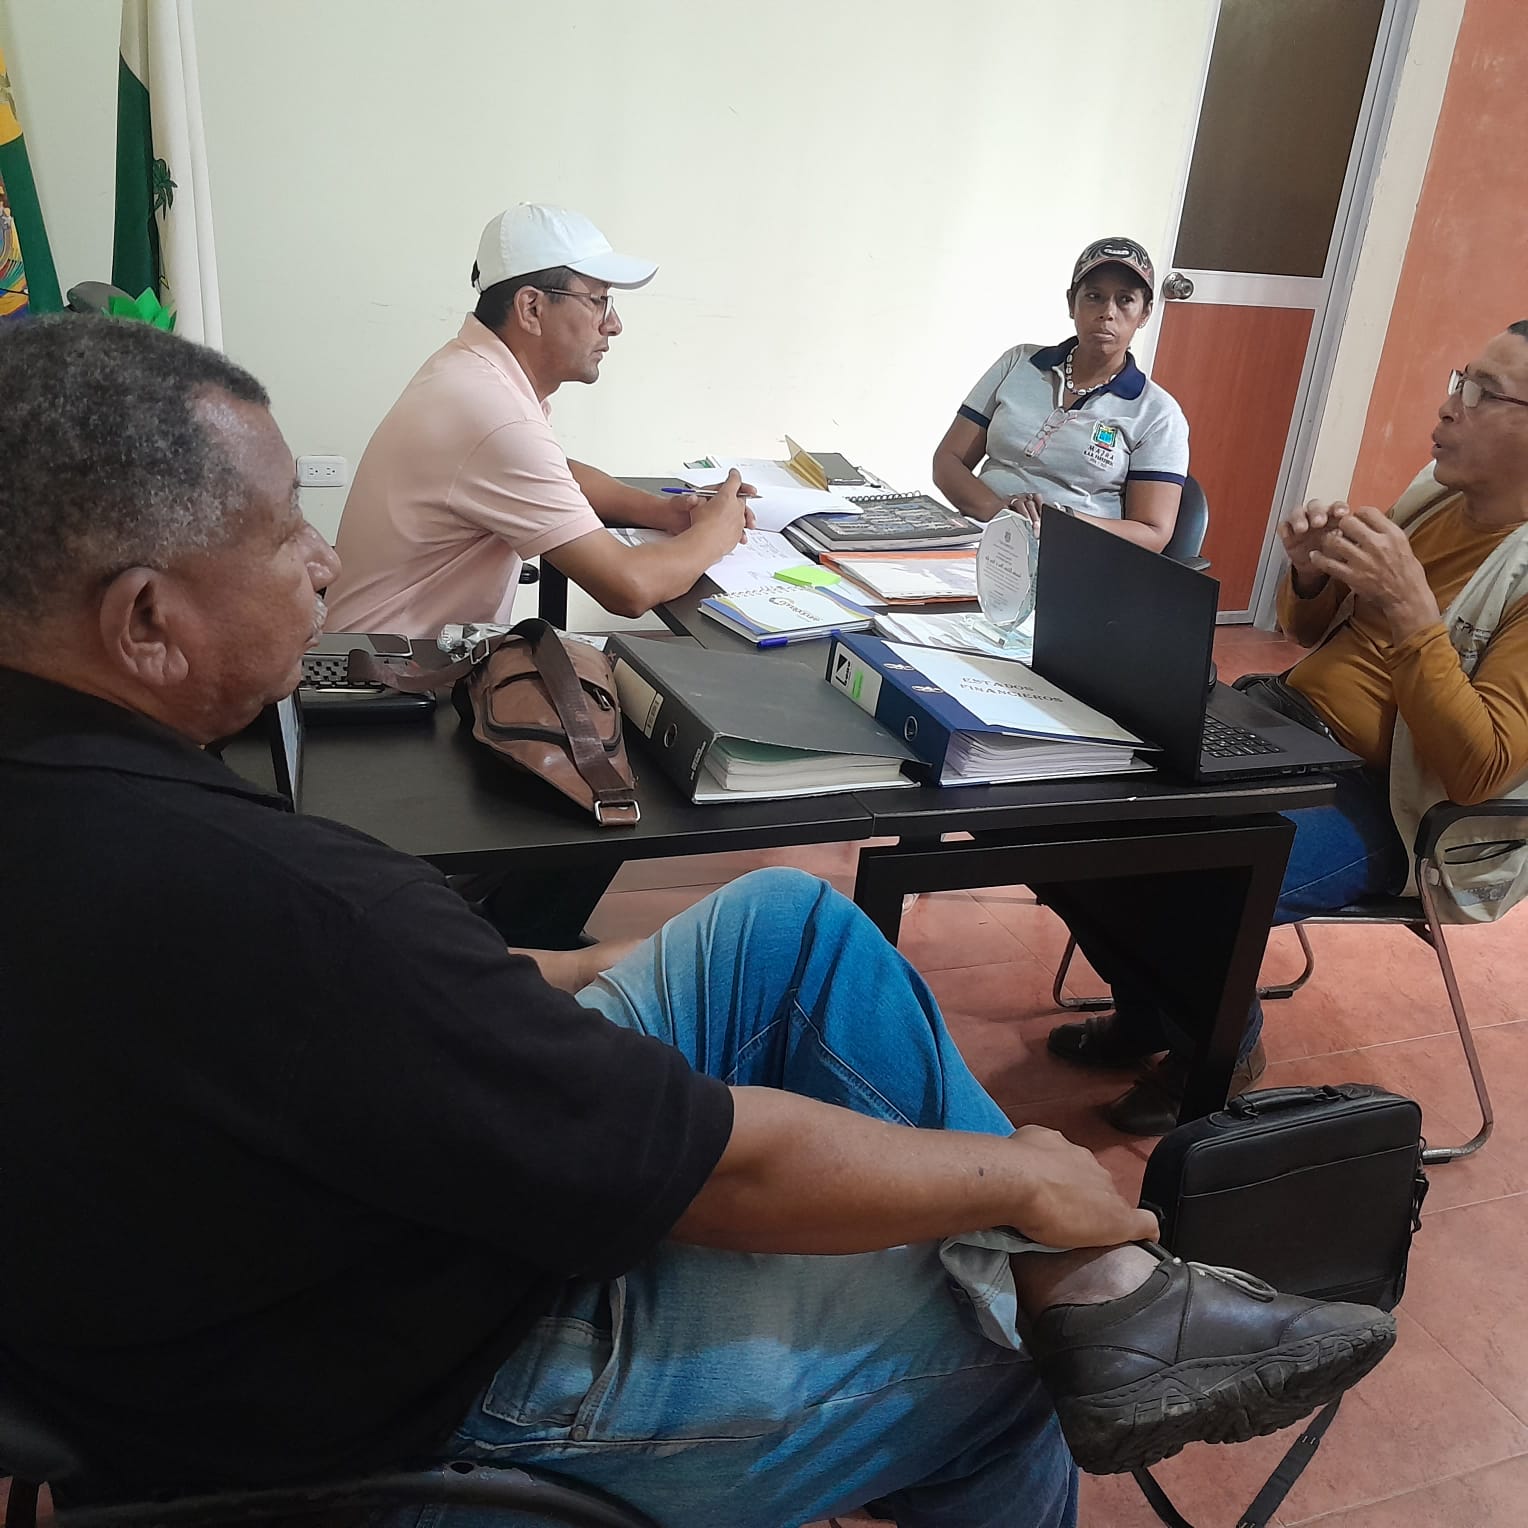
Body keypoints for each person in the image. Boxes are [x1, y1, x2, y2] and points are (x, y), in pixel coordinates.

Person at [0, 317, 1396, 1527]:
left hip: (210, 1296)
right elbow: (709, 1168)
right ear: (145, 622)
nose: (321, 559)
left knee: (782, 927)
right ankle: (1082, 1295)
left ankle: (1097, 1283)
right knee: (999, 1355)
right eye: (281, 534)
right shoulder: (276, 908)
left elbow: (344, 1018)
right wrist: (1022, 1180)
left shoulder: (86, 822)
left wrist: (555, 964)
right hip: (390, 1419)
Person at [1045, 323, 1528, 1135]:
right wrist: (1311, 572)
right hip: (1280, 721)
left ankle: (1219, 1049)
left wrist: (1414, 617)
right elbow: (1311, 632)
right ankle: (1152, 1016)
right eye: (1459, 380)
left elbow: (1481, 773)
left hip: (1387, 803)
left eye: (1483, 394)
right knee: (1058, 808)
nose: (1449, 407)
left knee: (1190, 877)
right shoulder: (1438, 495)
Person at [324, 202, 751, 637]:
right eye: (598, 300)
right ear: (531, 308)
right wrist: (716, 534)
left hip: (389, 651)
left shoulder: (471, 369)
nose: (614, 324)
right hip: (395, 671)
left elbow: (554, 471)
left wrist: (662, 512)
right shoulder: (493, 412)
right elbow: (628, 588)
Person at [933, 236, 1189, 550]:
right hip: (980, 535)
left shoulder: (1157, 413)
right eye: (1094, 296)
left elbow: (1153, 533)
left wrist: (1062, 521)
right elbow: (948, 460)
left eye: (1125, 300)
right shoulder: (1019, 363)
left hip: (1073, 554)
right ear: (1071, 303)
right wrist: (1000, 512)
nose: (1108, 312)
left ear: (1145, 313)